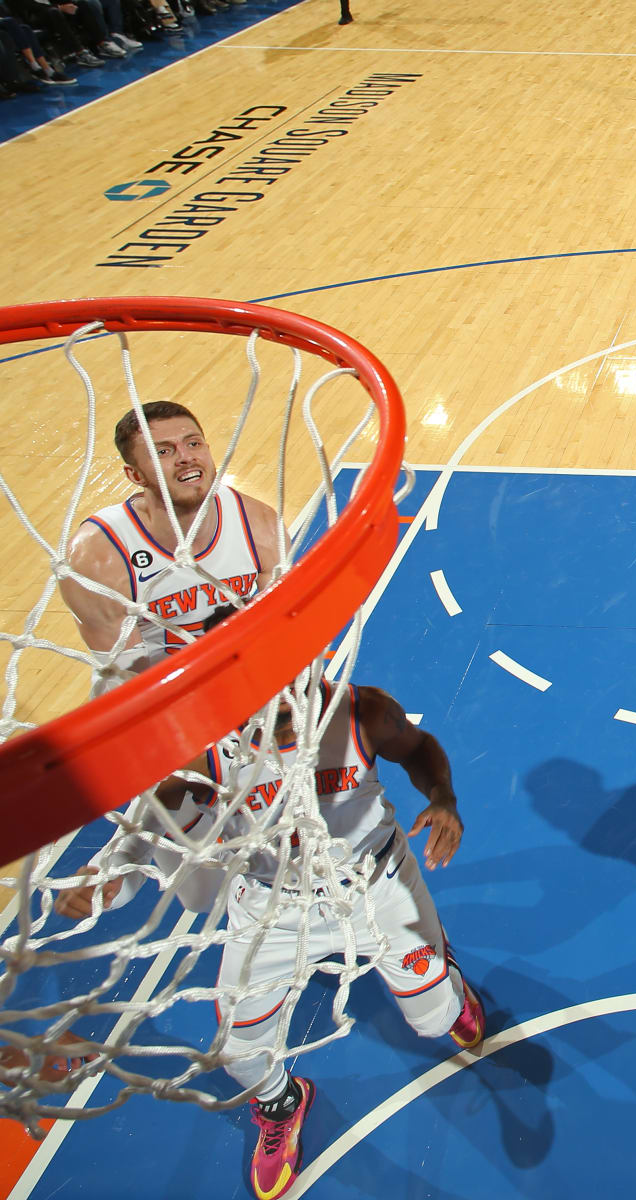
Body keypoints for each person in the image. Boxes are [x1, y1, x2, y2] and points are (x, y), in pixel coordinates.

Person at [56, 634, 483, 1200]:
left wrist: (444, 798)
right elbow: (145, 824)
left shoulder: (361, 711)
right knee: (239, 1049)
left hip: (375, 884)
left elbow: (419, 747)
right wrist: (108, 878)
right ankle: (283, 1103)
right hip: (271, 905)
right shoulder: (202, 751)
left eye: (289, 681)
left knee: (435, 1019)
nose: (279, 700)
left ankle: (441, 968)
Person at [57, 402, 282, 684]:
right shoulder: (99, 554)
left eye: (193, 443)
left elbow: (280, 629)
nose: (185, 458)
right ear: (135, 475)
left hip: (242, 678)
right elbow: (128, 679)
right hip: (153, 693)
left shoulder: (258, 523)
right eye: (163, 451)